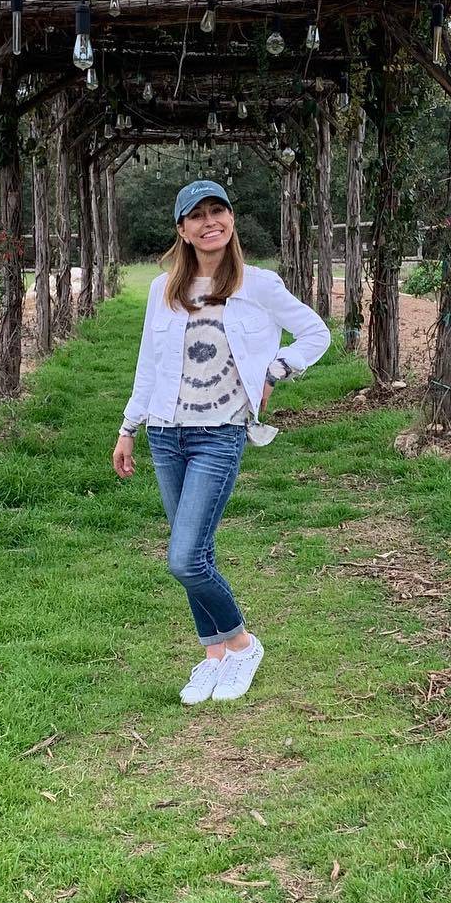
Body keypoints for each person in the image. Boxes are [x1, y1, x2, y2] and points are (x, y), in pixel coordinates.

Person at [112, 179, 331, 704]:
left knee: (184, 558)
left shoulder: (258, 284)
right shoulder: (164, 290)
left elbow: (316, 333)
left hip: (220, 432)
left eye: (219, 212)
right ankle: (214, 654)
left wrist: (277, 369)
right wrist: (128, 428)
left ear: (230, 220)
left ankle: (243, 643)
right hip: (166, 434)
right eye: (198, 216)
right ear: (182, 231)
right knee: (199, 550)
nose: (210, 222)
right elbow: (148, 364)